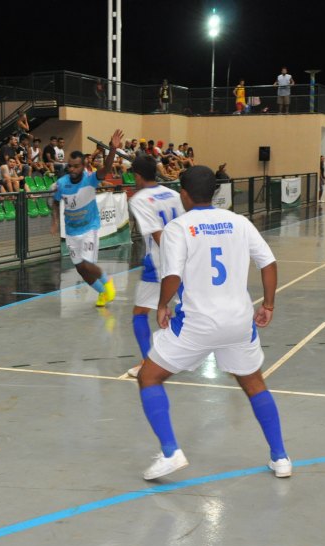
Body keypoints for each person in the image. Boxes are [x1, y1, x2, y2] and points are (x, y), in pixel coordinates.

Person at [134, 165, 290, 480]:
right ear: (216, 192)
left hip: (198, 323)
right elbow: (268, 262)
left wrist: (163, 305)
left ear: (185, 194)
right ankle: (281, 457)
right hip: (238, 321)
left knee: (149, 377)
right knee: (254, 384)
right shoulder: (239, 222)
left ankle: (170, 452)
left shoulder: (180, 227)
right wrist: (269, 304)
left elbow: (173, 274)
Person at [124, 154, 185, 377]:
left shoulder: (139, 199)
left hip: (160, 263)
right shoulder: (173, 193)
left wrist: (171, 261)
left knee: (140, 313)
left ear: (138, 176)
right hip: (185, 259)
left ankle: (149, 362)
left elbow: (158, 235)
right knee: (187, 309)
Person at [50, 129, 123, 307]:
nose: (72, 169)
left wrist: (112, 149)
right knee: (81, 269)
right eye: (70, 166)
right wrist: (55, 221)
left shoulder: (90, 179)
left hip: (90, 227)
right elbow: (54, 202)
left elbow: (105, 169)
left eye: (76, 166)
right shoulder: (61, 184)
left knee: (88, 264)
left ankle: (107, 282)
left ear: (83, 166)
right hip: (71, 232)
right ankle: (102, 293)